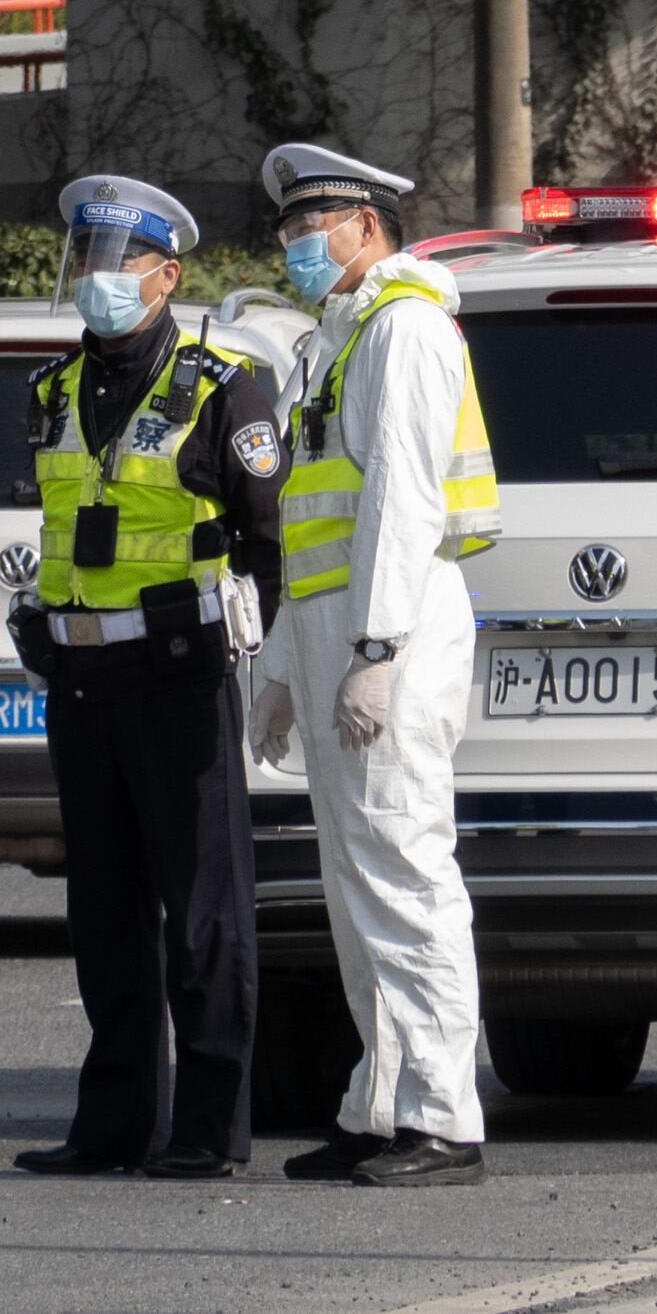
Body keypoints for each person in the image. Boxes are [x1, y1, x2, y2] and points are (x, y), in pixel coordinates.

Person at [6, 173, 287, 1180]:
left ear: (165, 276)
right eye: (83, 259)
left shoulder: (223, 388)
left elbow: (266, 542)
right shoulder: (49, 393)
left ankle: (208, 1132)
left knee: (203, 910)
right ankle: (112, 1126)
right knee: (106, 911)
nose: (94, 280)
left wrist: (266, 656)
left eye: (113, 262)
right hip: (81, 682)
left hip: (178, 676)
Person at [247, 142, 500, 1188]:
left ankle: (443, 1117)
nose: (299, 244)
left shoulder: (401, 331)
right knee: (356, 886)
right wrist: (276, 667)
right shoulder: (334, 340)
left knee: (403, 873)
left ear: (368, 225)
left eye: (316, 226)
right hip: (333, 630)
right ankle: (381, 1103)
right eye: (289, 230)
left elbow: (404, 502)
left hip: (387, 629)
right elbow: (310, 520)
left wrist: (377, 652)